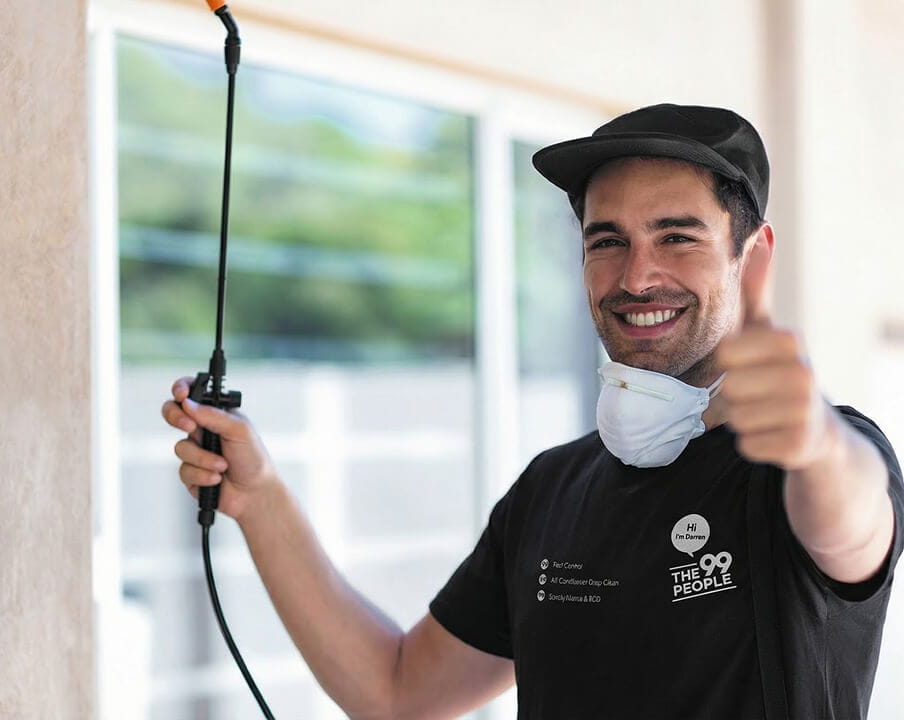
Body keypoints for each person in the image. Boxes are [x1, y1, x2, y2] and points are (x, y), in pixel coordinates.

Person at [162, 103, 903, 719]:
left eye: (678, 237)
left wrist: (814, 444)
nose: (638, 275)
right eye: (606, 241)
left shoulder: (808, 463)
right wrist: (260, 502)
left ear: (752, 254)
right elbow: (397, 692)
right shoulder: (553, 490)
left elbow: (849, 517)